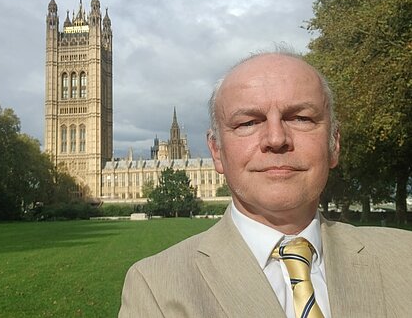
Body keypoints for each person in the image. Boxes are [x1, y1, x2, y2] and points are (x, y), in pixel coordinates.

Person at [118, 49, 412, 317]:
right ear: (217, 151)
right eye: (248, 123)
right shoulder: (155, 288)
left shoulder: (405, 259)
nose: (276, 139)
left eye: (300, 118)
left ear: (334, 143)